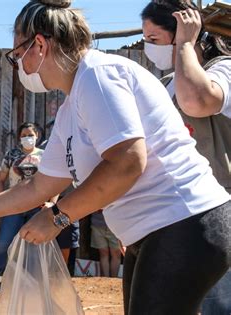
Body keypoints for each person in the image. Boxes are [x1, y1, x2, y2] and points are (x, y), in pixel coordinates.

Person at [0, 0, 231, 314]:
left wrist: (58, 216)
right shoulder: (73, 104)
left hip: (184, 221)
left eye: (17, 54)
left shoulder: (98, 76)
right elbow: (38, 187)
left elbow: (127, 161)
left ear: (39, 45)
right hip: (159, 230)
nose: (18, 66)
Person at [141, 1, 231, 313]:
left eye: (154, 39)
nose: (148, 48)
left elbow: (196, 101)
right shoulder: (165, 85)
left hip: (221, 211)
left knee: (217, 306)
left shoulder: (224, 70)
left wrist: (184, 44)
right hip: (176, 215)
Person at [0, 122, 53, 293]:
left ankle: (34, 285)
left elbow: (56, 178)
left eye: (30, 135)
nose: (28, 138)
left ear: (37, 136)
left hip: (37, 207)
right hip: (14, 207)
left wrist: (52, 202)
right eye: (24, 135)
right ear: (19, 138)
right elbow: (0, 178)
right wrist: (1, 200)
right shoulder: (12, 155)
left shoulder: (45, 156)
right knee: (4, 243)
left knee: (36, 246)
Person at [90, 210, 121, 277]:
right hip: (97, 224)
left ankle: (114, 279)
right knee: (103, 253)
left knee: (116, 253)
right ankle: (105, 279)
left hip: (115, 225)